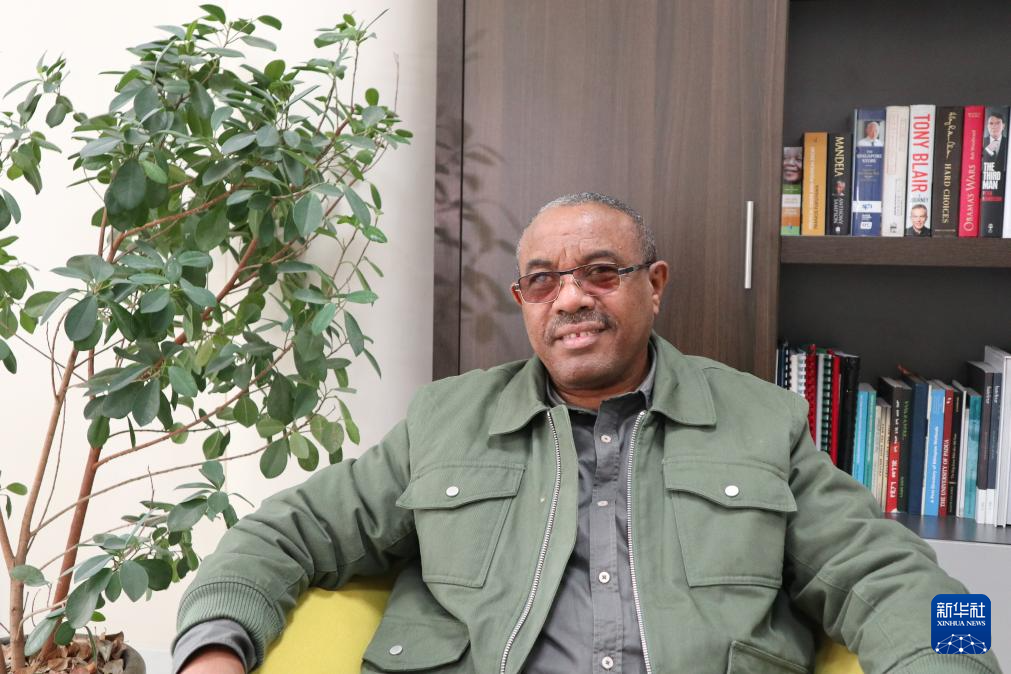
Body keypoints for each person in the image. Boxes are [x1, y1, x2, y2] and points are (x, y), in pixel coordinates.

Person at [174, 193, 999, 674]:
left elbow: (892, 574)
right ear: (523, 302)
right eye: (542, 281)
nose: (570, 297)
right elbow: (284, 533)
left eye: (601, 272)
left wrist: (959, 658)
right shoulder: (444, 422)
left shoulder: (760, 420)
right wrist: (212, 650)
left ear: (654, 285)